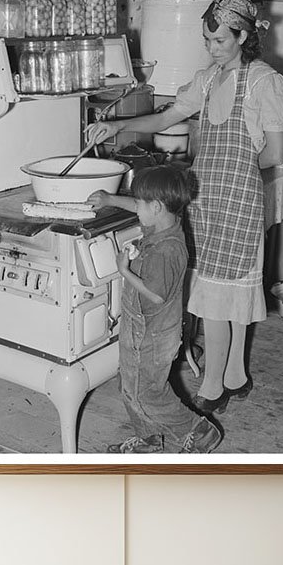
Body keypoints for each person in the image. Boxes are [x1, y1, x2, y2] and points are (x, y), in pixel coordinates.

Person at [87, 0, 283, 413]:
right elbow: (166, 118)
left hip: (237, 200)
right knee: (220, 293)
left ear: (242, 36)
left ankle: (213, 388)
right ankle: (235, 375)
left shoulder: (263, 82)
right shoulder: (209, 79)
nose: (212, 49)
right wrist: (114, 127)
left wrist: (231, 170)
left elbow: (273, 154)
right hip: (205, 197)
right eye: (207, 41)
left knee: (219, 297)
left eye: (219, 41)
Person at [92, 166, 222, 454]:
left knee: (147, 393)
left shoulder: (167, 250)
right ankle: (149, 439)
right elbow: (145, 208)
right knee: (129, 384)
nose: (135, 207)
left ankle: (198, 431)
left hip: (151, 336)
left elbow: (158, 295)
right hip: (142, 328)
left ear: (156, 207)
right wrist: (112, 202)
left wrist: (124, 271)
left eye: (138, 203)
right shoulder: (164, 227)